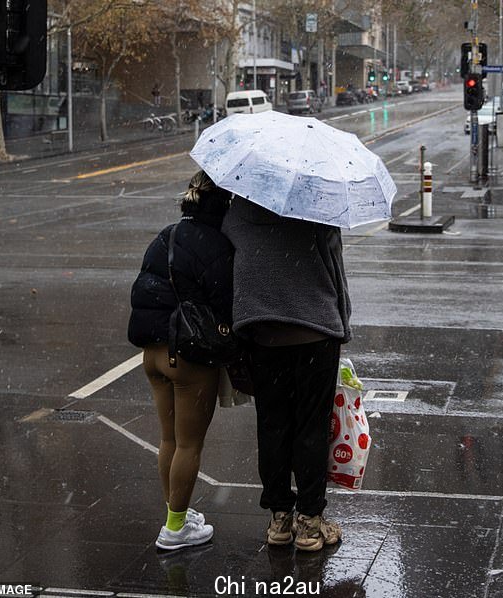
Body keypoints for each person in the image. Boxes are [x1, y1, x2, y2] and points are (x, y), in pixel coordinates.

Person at [222, 197, 351, 552]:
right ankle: (309, 522)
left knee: (273, 423)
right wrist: (343, 323)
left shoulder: (239, 212)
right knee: (312, 425)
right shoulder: (318, 207)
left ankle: (279, 517)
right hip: (315, 330)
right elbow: (335, 269)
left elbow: (232, 256)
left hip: (264, 332)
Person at [128, 170, 234, 550]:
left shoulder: (165, 235)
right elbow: (226, 304)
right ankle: (175, 529)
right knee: (189, 445)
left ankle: (177, 511)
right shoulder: (217, 246)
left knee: (169, 439)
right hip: (187, 358)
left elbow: (143, 290)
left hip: (152, 356)